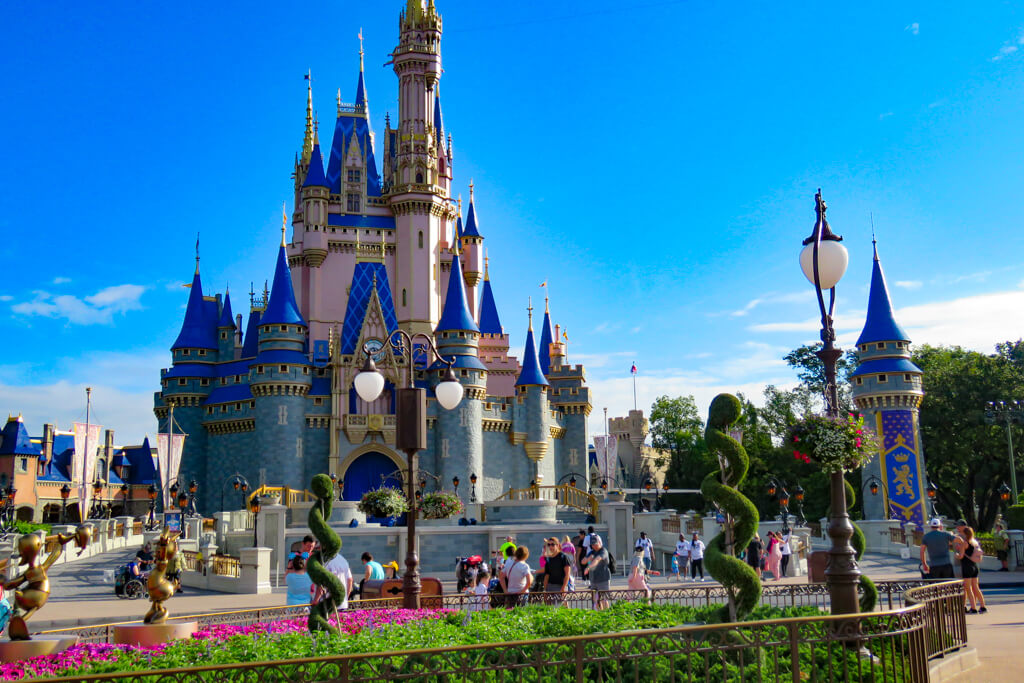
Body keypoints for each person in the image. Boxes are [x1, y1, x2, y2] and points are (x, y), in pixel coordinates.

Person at [956, 526, 986, 614]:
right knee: (976, 587)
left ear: (965, 534)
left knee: (968, 588)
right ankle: (983, 606)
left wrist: (957, 555)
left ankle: (973, 608)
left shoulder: (965, 543)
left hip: (967, 566)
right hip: (975, 566)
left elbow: (961, 556)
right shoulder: (975, 542)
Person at [582, 535, 611, 609]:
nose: (594, 546)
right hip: (593, 579)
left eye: (595, 544)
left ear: (600, 542)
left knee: (604, 599)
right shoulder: (592, 552)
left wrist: (588, 568)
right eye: (592, 545)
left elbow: (597, 560)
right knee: (595, 600)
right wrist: (588, 558)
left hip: (603, 579)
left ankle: (606, 613)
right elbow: (583, 561)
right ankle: (598, 613)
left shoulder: (603, 551)